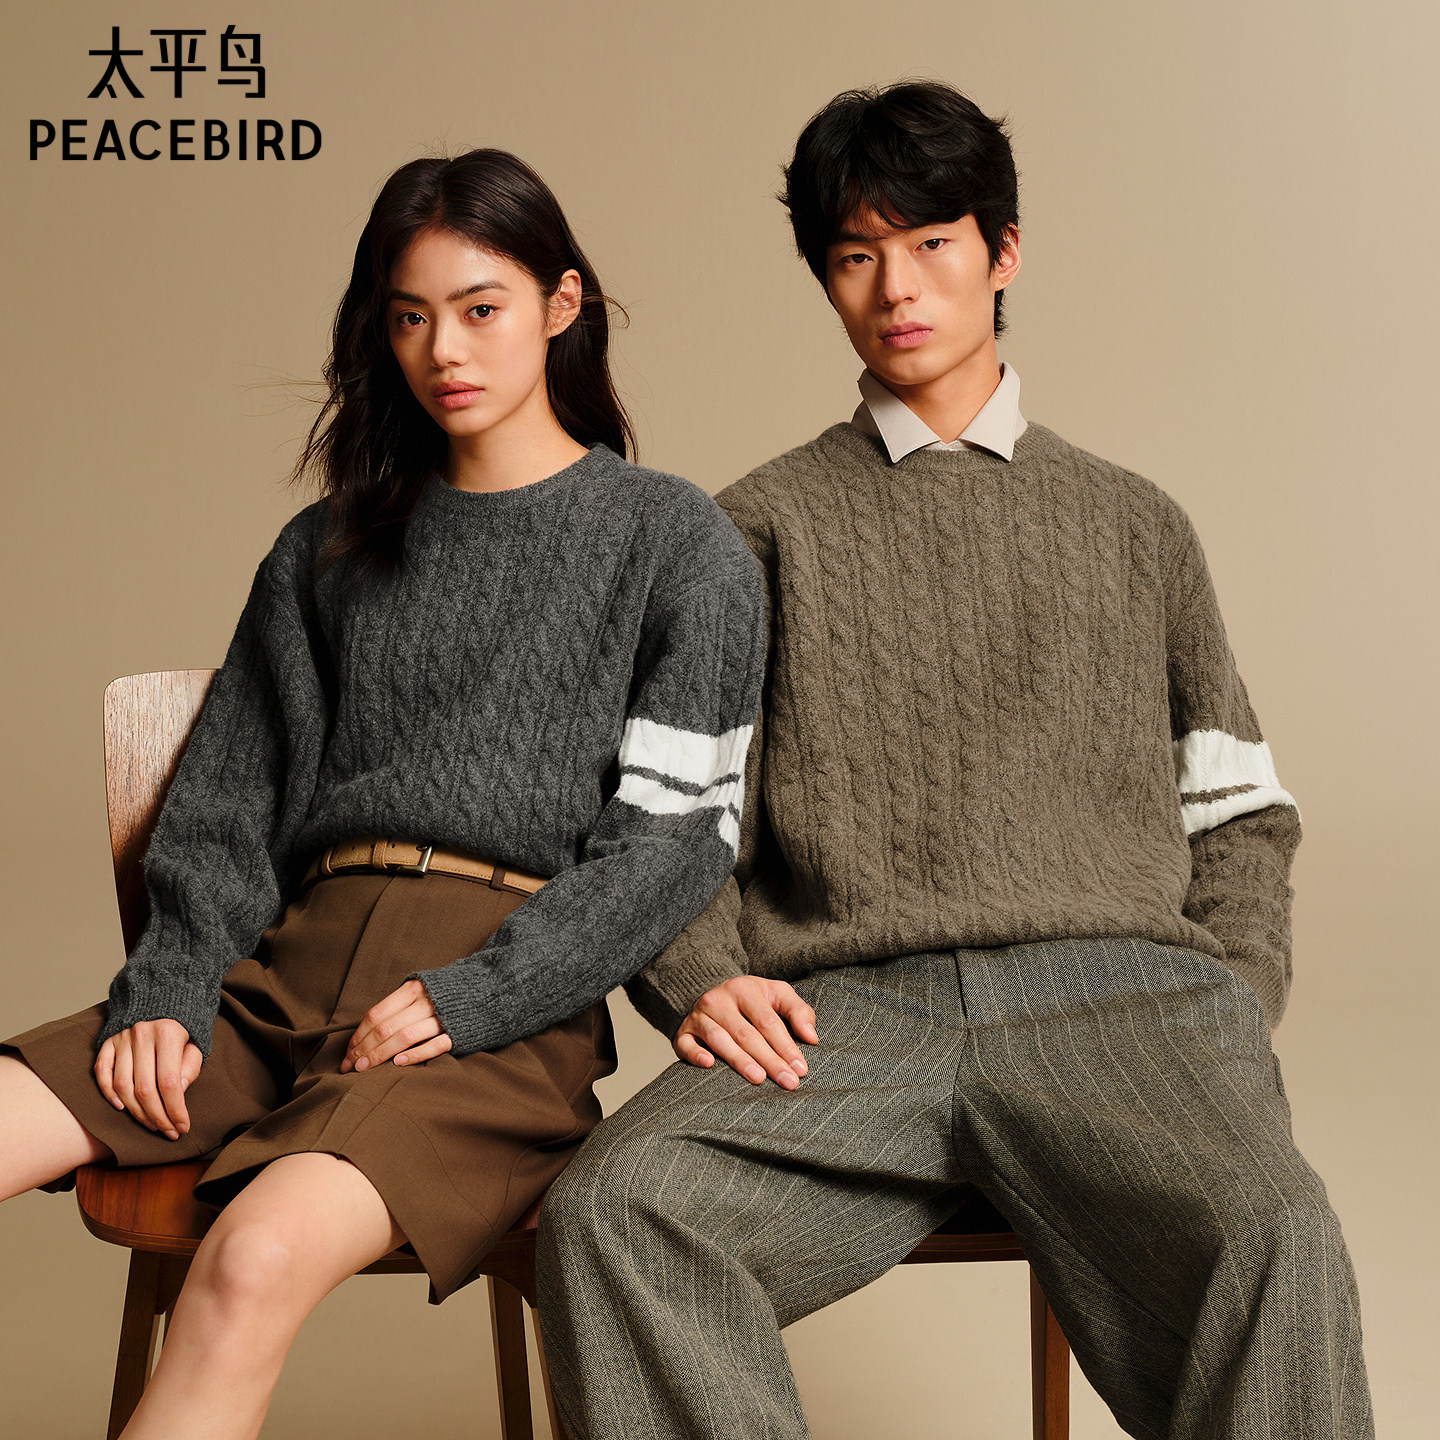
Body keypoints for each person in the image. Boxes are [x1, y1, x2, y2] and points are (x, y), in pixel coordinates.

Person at [536, 82, 1373, 1440]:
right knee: (614, 1214)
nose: (897, 288)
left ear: (1004, 251)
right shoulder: (752, 528)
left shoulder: (1136, 523)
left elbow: (1237, 808)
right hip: (850, 1018)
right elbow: (670, 811)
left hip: (1122, 998)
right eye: (855, 256)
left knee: (1279, 1231)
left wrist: (1233, 990)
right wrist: (700, 975)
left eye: (931, 243)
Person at [0, 148, 764, 1440]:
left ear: (562, 304)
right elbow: (227, 803)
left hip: (495, 1015)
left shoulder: (673, 541)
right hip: (279, 975)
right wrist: (171, 985)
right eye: (408, 317)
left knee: (249, 1261)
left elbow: (672, 846)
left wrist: (477, 998)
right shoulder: (327, 546)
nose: (442, 350)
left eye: (480, 308)